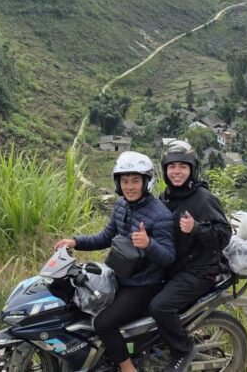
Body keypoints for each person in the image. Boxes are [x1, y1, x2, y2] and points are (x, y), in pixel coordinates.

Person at [54, 151, 175, 372]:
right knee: (78, 304)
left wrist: (148, 244)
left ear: (147, 182)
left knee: (103, 323)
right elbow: (105, 237)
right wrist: (75, 241)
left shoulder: (160, 215)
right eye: (125, 181)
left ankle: (128, 368)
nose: (129, 186)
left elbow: (168, 256)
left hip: (143, 286)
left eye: (135, 181)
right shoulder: (122, 205)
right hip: (119, 276)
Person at [150, 140, 231, 372]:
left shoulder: (202, 198)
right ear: (165, 169)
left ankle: (181, 351)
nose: (177, 172)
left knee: (160, 307)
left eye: (183, 167)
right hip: (175, 266)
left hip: (200, 270)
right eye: (172, 166)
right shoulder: (165, 197)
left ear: (192, 169)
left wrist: (195, 228)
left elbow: (224, 234)